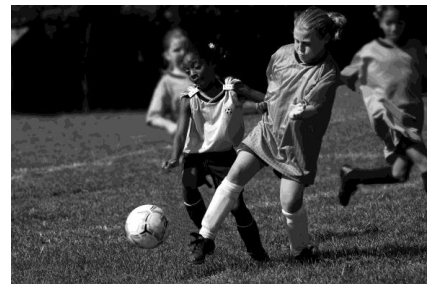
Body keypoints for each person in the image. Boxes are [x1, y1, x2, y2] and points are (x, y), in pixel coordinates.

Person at [186, 6, 347, 264]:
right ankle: (205, 237)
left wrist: (302, 111)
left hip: (297, 146)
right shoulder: (281, 55)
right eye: (295, 40)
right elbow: (273, 98)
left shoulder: (327, 72)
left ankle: (301, 251)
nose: (299, 47)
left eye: (306, 44)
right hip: (268, 132)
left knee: (290, 201)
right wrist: (248, 91)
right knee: (234, 175)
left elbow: (315, 106)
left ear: (325, 39)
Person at [161, 41, 269, 264]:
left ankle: (257, 253)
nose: (192, 73)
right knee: (189, 184)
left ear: (211, 64)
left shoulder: (232, 89)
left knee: (238, 207)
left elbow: (266, 100)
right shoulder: (188, 98)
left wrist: (266, 105)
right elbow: (181, 132)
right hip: (196, 155)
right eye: (187, 70)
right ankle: (204, 238)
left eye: (197, 67)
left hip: (224, 155)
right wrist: (175, 156)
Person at [338, 5, 427, 207]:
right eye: (389, 23)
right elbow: (346, 75)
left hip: (414, 117)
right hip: (391, 119)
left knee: (399, 174)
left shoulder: (414, 47)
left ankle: (352, 176)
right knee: (427, 165)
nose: (394, 28)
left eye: (399, 22)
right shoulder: (369, 52)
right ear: (380, 23)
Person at [145, 28, 193, 136]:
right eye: (177, 50)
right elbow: (153, 117)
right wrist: (170, 125)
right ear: (167, 55)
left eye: (187, 49)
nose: (183, 53)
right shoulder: (167, 82)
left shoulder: (203, 76)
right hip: (190, 141)